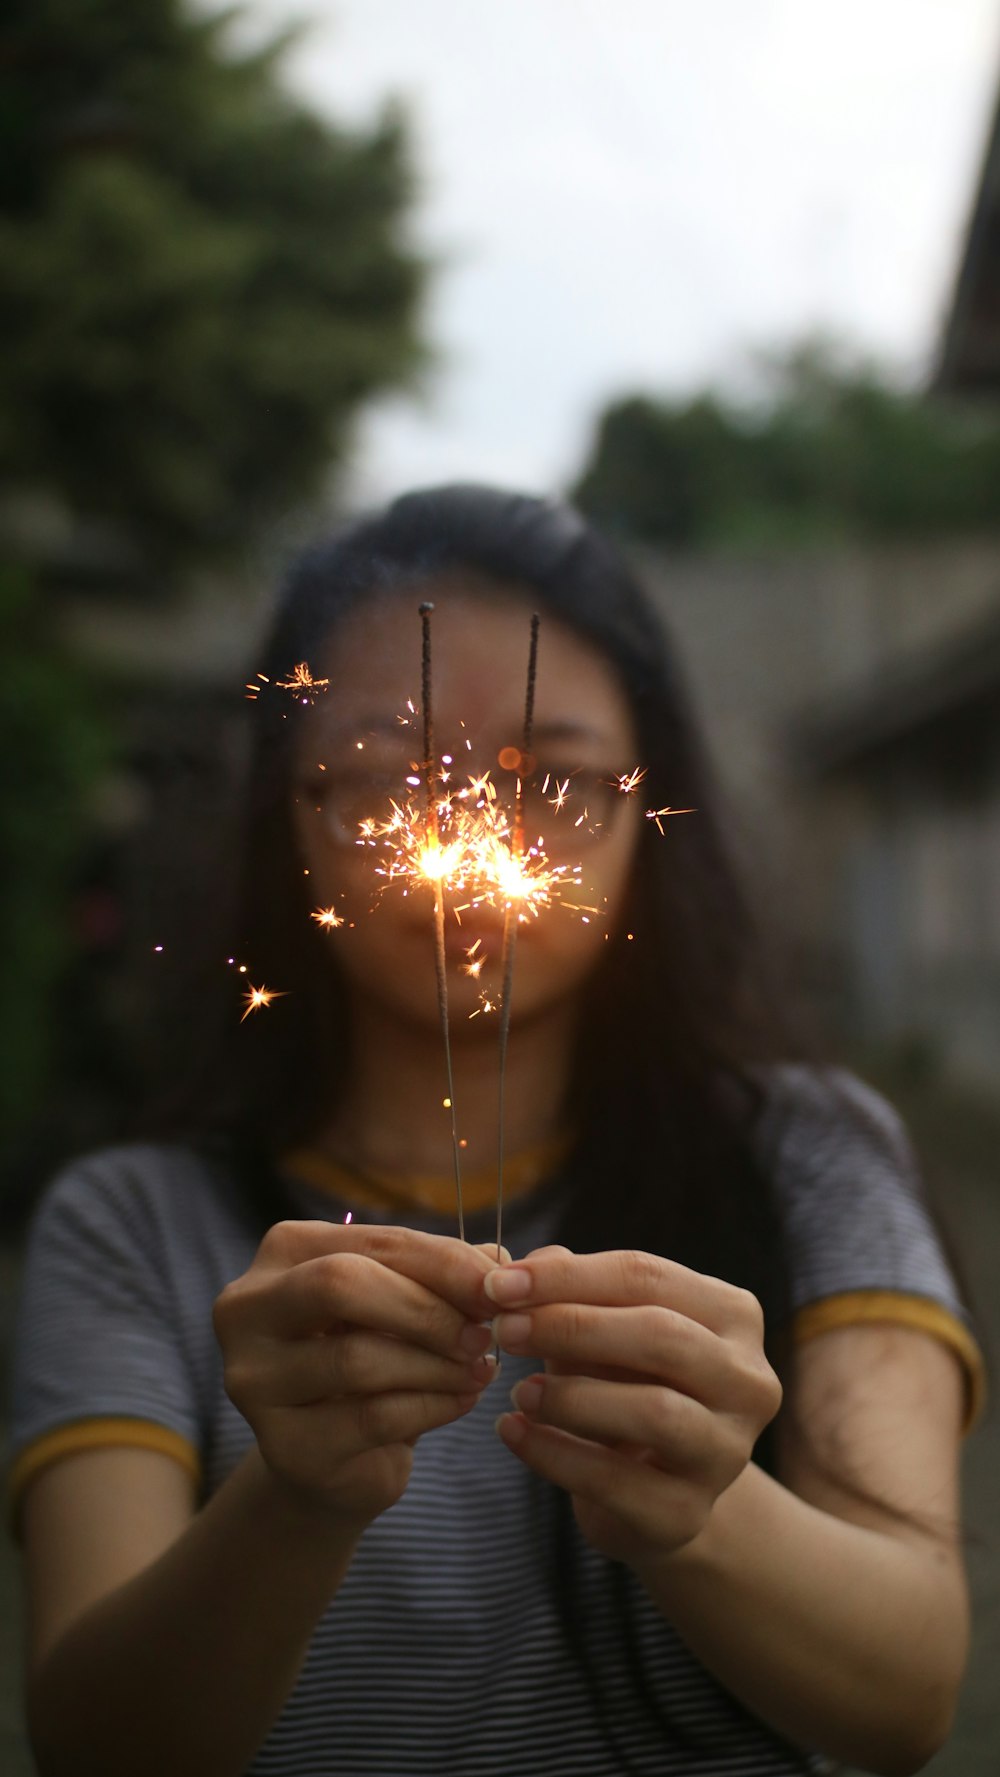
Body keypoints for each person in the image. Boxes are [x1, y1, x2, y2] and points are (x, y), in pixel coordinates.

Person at [8, 485, 983, 1777]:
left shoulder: (809, 1151)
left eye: (557, 778)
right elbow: (98, 1745)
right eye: (377, 778)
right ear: (283, 820)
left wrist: (707, 1510)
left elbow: (910, 1694)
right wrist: (295, 1500)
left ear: (656, 806)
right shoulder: (131, 1222)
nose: (470, 840)